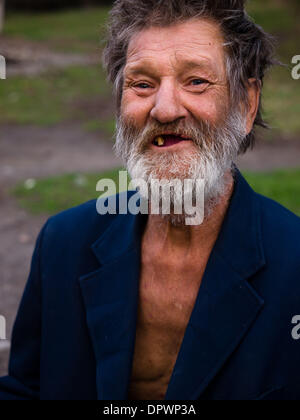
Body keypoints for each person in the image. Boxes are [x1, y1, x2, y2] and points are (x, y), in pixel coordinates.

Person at [0, 0, 300, 400]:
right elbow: (25, 389)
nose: (164, 108)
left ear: (246, 104)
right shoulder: (62, 244)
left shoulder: (295, 264)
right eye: (142, 84)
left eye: (195, 81)